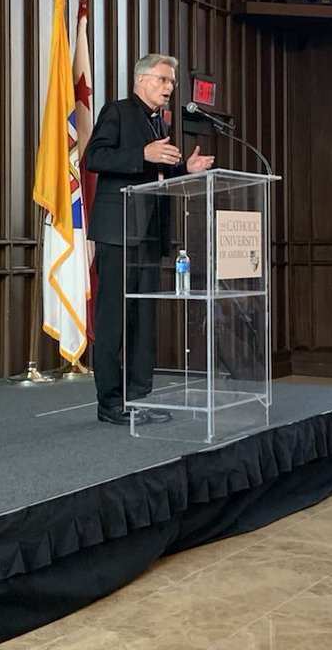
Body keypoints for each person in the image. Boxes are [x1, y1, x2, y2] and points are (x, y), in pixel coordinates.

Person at [85, 54, 214, 426]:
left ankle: (137, 398)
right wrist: (143, 153)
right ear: (142, 80)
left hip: (149, 234)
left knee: (143, 319)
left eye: (171, 82)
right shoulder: (119, 111)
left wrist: (183, 168)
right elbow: (95, 156)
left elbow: (153, 170)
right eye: (164, 80)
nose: (169, 88)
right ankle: (109, 402)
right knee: (114, 320)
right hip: (117, 230)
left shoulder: (158, 121)